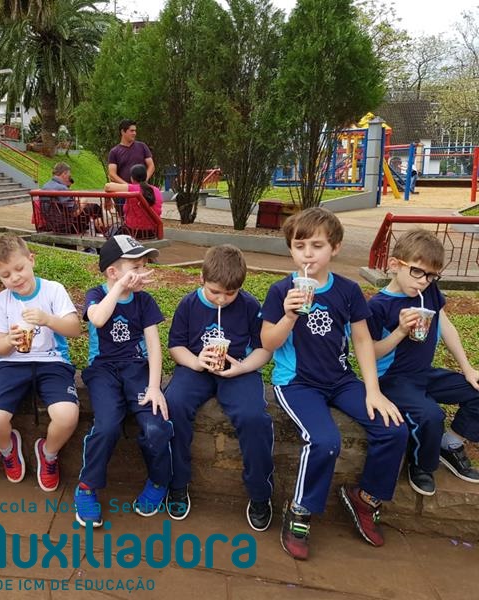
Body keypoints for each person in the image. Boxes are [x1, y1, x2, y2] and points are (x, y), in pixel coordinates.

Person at [260, 207, 407, 561]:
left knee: (394, 429)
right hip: (297, 383)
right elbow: (268, 342)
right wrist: (289, 315)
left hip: (340, 380)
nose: (308, 254)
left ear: (335, 248)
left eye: (317, 245)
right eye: (299, 246)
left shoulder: (348, 290)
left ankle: (365, 498)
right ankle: (300, 511)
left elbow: (362, 341)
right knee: (325, 441)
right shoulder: (281, 290)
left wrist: (373, 391)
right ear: (291, 249)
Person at [160, 245, 275, 529]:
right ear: (201, 278)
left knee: (253, 417)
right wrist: (196, 362)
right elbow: (176, 346)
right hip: (196, 369)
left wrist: (243, 367)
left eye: (230, 293)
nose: (222, 299)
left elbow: (264, 349)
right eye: (215, 292)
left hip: (238, 370)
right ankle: (177, 482)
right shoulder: (189, 304)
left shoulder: (249, 306)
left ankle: (260, 493)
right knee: (173, 405)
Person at [367, 229, 479, 496]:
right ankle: (421, 464)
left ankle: (449, 445)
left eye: (431, 275)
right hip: (392, 379)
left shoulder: (428, 291)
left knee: (476, 390)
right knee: (431, 415)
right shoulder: (378, 306)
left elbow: (446, 326)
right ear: (395, 265)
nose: (423, 281)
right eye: (417, 271)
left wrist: (468, 369)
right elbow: (370, 353)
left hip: (423, 373)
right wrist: (400, 331)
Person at [73, 236, 172, 527]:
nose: (143, 273)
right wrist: (118, 288)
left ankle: (159, 481)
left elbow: (154, 346)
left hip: (136, 369)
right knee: (106, 426)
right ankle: (87, 487)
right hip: (102, 371)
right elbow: (98, 319)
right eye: (135, 267)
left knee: (155, 425)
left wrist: (154, 386)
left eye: (144, 266)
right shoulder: (96, 294)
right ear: (112, 272)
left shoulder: (144, 301)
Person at [0, 234, 82, 492]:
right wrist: (10, 340)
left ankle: (48, 453)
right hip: (12, 364)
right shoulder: (2, 300)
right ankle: (8, 450)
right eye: (6, 275)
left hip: (52, 361)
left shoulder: (53, 290)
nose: (15, 278)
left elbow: (74, 329)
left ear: (31, 260)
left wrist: (48, 319)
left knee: (67, 415)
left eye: (19, 268)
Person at [40, 163, 103, 235]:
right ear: (64, 174)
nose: (69, 178)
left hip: (52, 225)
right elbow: (75, 213)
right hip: (67, 227)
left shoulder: (45, 186)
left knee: (90, 208)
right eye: (69, 176)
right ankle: (100, 230)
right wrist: (84, 201)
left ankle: (97, 227)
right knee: (94, 207)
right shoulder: (61, 188)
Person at [103, 163, 163, 239]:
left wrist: (107, 198)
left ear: (132, 178)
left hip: (134, 232)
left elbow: (108, 186)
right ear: (145, 176)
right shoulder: (156, 190)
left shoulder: (133, 189)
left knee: (113, 231)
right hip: (153, 232)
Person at [107, 119, 155, 184]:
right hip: (123, 189)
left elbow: (151, 166)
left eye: (135, 131)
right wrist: (128, 186)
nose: (134, 133)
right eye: (131, 131)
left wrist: (144, 180)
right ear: (123, 132)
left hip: (141, 188)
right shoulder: (114, 152)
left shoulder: (142, 146)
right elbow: (112, 174)